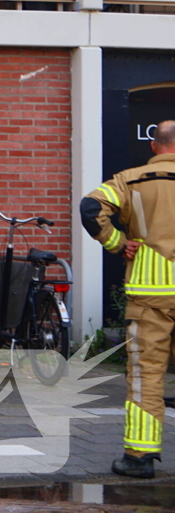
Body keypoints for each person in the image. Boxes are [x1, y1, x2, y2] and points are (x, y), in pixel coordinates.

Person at [81, 119, 175, 479]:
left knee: (146, 376)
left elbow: (91, 209)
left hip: (150, 296)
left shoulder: (130, 179)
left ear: (154, 146)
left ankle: (139, 457)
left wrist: (118, 242)